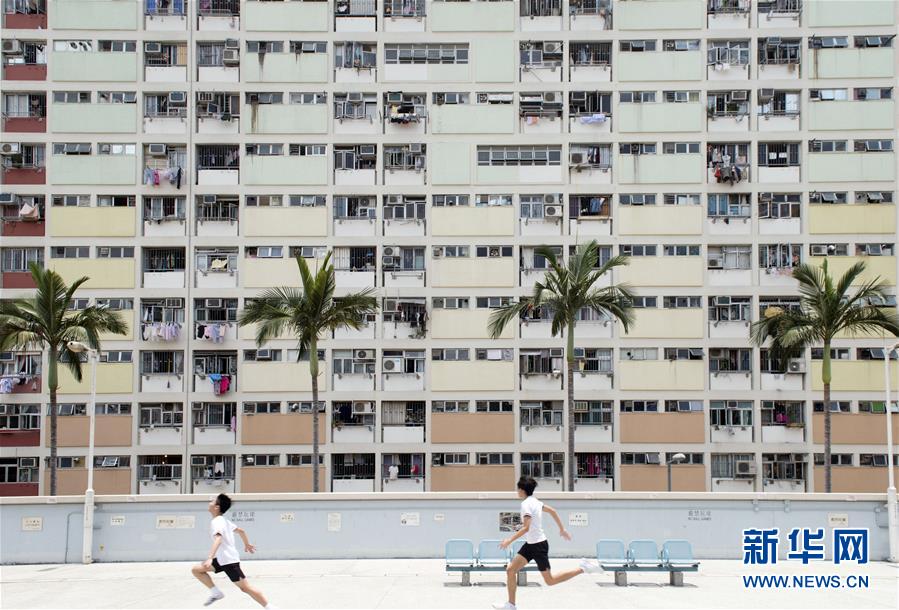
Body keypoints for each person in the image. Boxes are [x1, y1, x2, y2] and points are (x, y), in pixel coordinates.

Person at [492, 476, 599, 610]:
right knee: (511, 570)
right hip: (531, 544)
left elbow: (526, 528)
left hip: (538, 546)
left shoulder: (526, 505)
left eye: (518, 489)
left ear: (522, 490)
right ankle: (511, 605)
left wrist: (509, 540)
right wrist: (562, 529)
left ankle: (583, 568)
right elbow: (553, 511)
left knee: (550, 580)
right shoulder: (535, 502)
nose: (517, 491)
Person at [191, 493, 274, 608]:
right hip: (222, 559)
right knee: (196, 570)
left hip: (228, 561)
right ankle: (216, 592)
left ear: (216, 507)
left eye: (212, 501)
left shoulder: (217, 522)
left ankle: (270, 607)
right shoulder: (224, 521)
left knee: (245, 588)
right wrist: (247, 544)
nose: (209, 503)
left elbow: (218, 539)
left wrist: (210, 558)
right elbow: (241, 531)